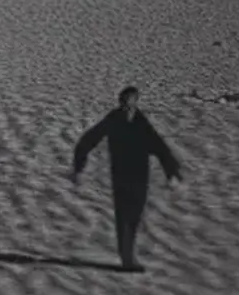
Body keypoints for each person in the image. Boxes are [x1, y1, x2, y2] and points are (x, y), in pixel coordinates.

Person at [70, 86, 183, 272]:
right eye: (124, 102)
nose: (127, 107)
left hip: (140, 175)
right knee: (124, 215)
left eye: (130, 102)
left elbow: (160, 147)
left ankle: (128, 255)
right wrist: (78, 167)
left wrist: (172, 173)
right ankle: (127, 259)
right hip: (121, 175)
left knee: (135, 215)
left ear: (135, 102)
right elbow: (88, 140)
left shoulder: (141, 122)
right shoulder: (113, 119)